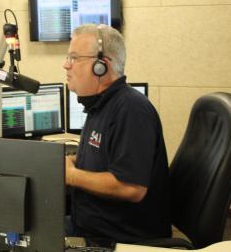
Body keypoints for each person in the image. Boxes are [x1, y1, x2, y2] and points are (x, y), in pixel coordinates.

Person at [64, 24, 171, 243]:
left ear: (101, 66)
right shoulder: (101, 105)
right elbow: (107, 156)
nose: (66, 65)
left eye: (74, 58)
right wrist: (73, 160)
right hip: (91, 226)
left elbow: (131, 187)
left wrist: (72, 175)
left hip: (115, 239)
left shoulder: (131, 109)